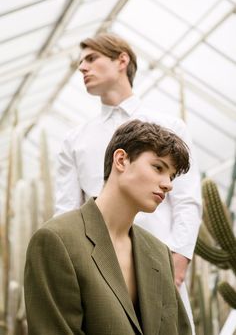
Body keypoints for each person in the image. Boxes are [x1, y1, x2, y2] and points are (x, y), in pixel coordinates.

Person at [55, 33, 202, 331]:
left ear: (122, 60)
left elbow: (187, 201)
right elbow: (65, 211)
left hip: (160, 268)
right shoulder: (74, 141)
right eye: (80, 62)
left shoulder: (170, 127)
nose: (82, 67)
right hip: (98, 272)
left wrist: (176, 264)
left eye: (91, 58)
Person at [24, 120, 192, 335]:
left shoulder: (159, 253)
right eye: (158, 167)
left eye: (171, 176)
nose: (168, 184)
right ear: (121, 160)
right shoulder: (57, 241)